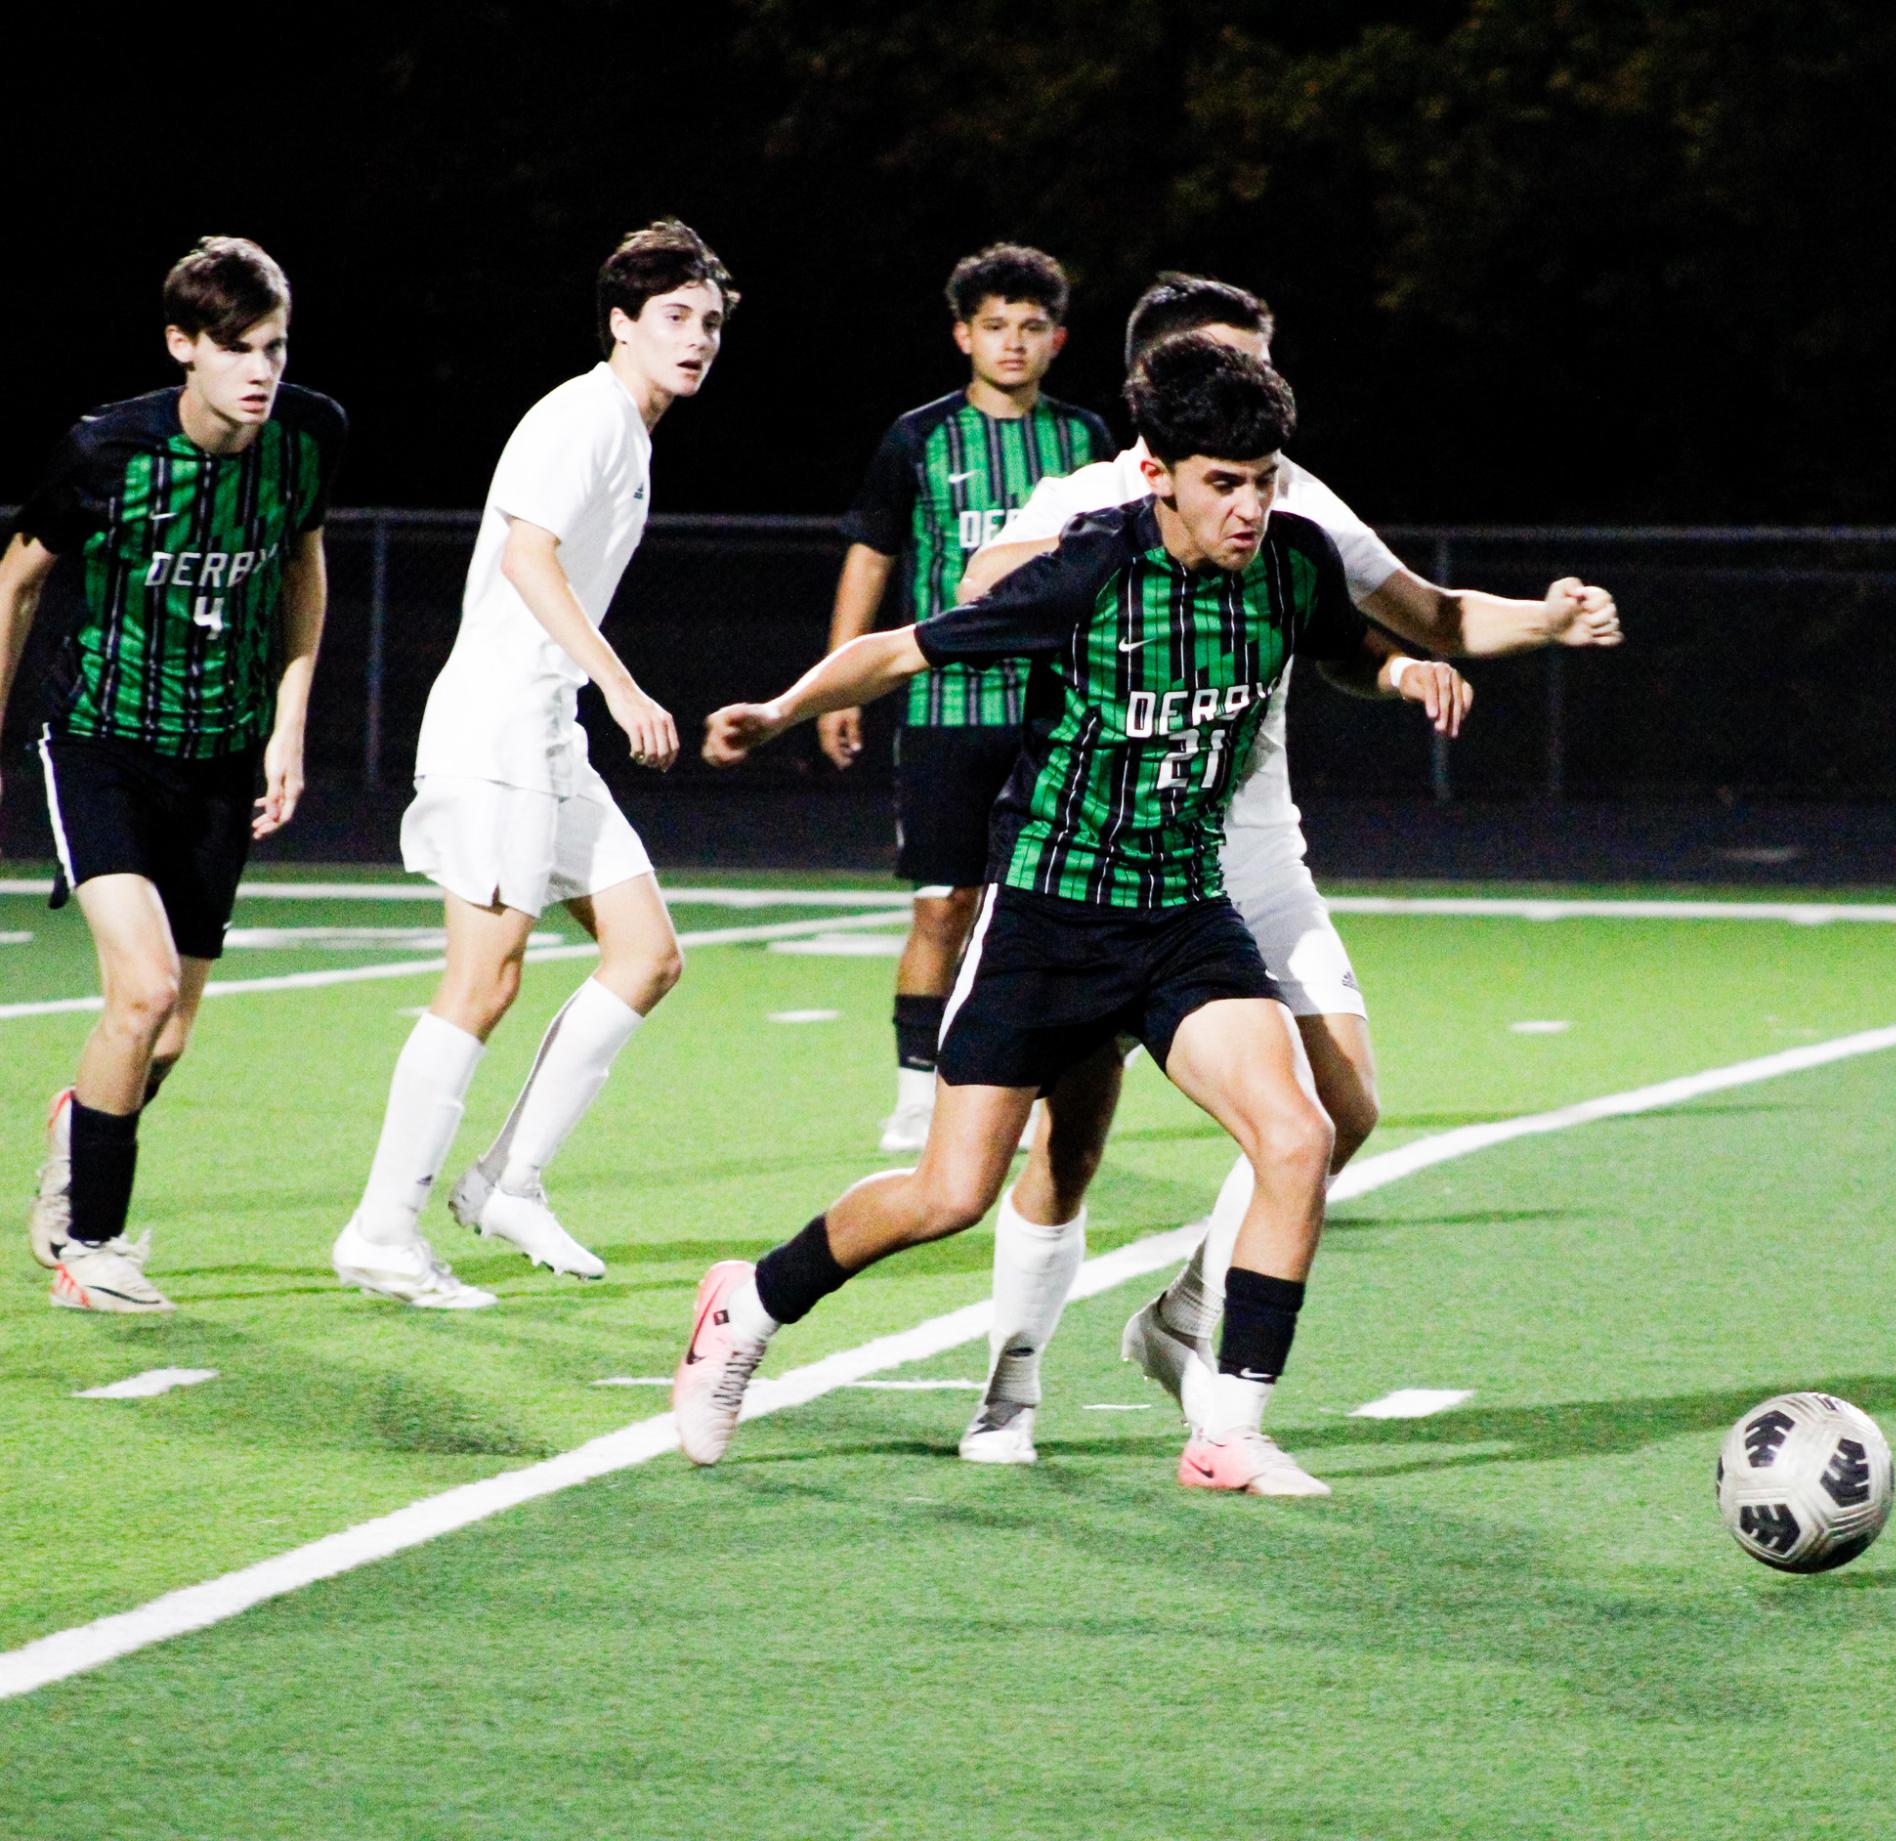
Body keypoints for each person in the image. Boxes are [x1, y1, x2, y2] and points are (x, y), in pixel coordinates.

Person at [682, 338, 1474, 1496]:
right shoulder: (1089, 571)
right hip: (1051, 917)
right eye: (1223, 481)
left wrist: (1403, 675)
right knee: (949, 1193)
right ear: (1156, 470)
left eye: (1265, 478)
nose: (1250, 505)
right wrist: (786, 707)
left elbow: (1348, 648)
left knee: (1300, 1137)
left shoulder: (1292, 560)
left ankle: (1231, 1429)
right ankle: (747, 1301)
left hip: (1185, 916)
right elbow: (903, 647)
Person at [951, 273, 1622, 1459]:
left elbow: (1428, 615)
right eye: (1223, 367)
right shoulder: (1102, 496)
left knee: (1338, 1111)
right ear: (1157, 389)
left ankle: (1187, 1317)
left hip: (1249, 851)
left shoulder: (1290, 499)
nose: (1252, 403)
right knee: (1068, 1142)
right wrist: (1104, 568)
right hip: (1104, 851)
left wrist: (1539, 624)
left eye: (1260, 366)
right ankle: (1010, 1383)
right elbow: (977, 593)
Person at [330, 217, 734, 1309]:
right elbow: (526, 554)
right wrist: (620, 680)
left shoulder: (634, 432)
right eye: (674, 319)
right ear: (621, 323)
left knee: (646, 952)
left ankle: (509, 1177)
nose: (696, 339)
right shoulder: (582, 414)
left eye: (710, 321)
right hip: (499, 727)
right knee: (484, 979)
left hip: (546, 729)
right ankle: (380, 1228)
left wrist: (588, 693)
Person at [0, 236, 344, 1312]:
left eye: (275, 346)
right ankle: (87, 1248)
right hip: (102, 740)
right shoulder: (107, 450)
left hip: (222, 752)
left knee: (175, 1028)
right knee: (140, 989)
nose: (260, 369)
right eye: (236, 347)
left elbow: (304, 567)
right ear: (181, 346)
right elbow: (15, 581)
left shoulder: (308, 437)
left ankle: (83, 1124)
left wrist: (287, 723)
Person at [817, 243, 1112, 1151]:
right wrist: (840, 683)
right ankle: (915, 1089)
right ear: (962, 335)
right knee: (942, 904)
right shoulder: (919, 437)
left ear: (1057, 339)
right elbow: (872, 552)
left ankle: (1003, 1079)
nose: (1013, 343)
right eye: (995, 327)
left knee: (1028, 906)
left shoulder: (1086, 440)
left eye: (1031, 327)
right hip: (946, 710)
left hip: (1052, 713)